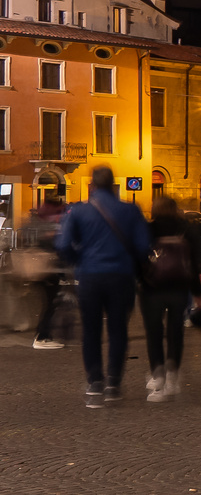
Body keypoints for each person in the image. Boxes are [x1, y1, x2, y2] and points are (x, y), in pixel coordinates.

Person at [56, 166, 149, 407]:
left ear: (92, 186)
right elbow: (143, 246)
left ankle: (95, 381)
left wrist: (80, 260)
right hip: (121, 276)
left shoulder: (79, 212)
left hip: (90, 276)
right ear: (113, 185)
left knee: (91, 330)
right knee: (118, 330)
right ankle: (113, 384)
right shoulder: (130, 210)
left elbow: (63, 244)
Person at [141, 194, 201, 402]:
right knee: (175, 332)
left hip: (152, 289)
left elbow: (138, 258)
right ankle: (172, 377)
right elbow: (194, 265)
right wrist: (198, 294)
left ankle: (158, 379)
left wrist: (142, 280)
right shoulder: (186, 229)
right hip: (179, 288)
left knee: (154, 334)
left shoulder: (148, 230)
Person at [19, 194, 67, 348]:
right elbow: (54, 245)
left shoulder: (34, 222)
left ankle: (43, 335)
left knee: (49, 303)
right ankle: (41, 337)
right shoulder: (47, 224)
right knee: (50, 303)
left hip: (41, 269)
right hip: (47, 269)